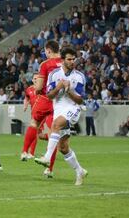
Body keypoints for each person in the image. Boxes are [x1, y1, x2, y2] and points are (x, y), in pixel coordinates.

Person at [34, 47, 88, 185]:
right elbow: (49, 95)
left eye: (73, 59)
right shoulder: (54, 74)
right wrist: (58, 87)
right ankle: (79, 171)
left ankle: (47, 157)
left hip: (73, 108)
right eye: (69, 59)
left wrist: (68, 90)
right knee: (63, 147)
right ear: (63, 60)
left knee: (56, 124)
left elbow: (81, 100)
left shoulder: (79, 76)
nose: (72, 61)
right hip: (58, 107)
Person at [21, 40, 61, 167]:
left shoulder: (46, 64)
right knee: (53, 135)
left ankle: (24, 151)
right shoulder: (66, 62)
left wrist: (38, 86)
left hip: (46, 99)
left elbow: (38, 87)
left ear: (48, 50)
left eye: (45, 51)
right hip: (61, 102)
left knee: (34, 123)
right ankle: (50, 169)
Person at [20, 74, 52, 160]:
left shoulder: (43, 89)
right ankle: (53, 139)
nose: (35, 80)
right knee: (39, 134)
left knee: (35, 131)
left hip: (45, 112)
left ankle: (31, 153)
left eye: (37, 78)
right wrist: (25, 105)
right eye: (34, 79)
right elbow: (26, 98)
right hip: (35, 113)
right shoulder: (29, 89)